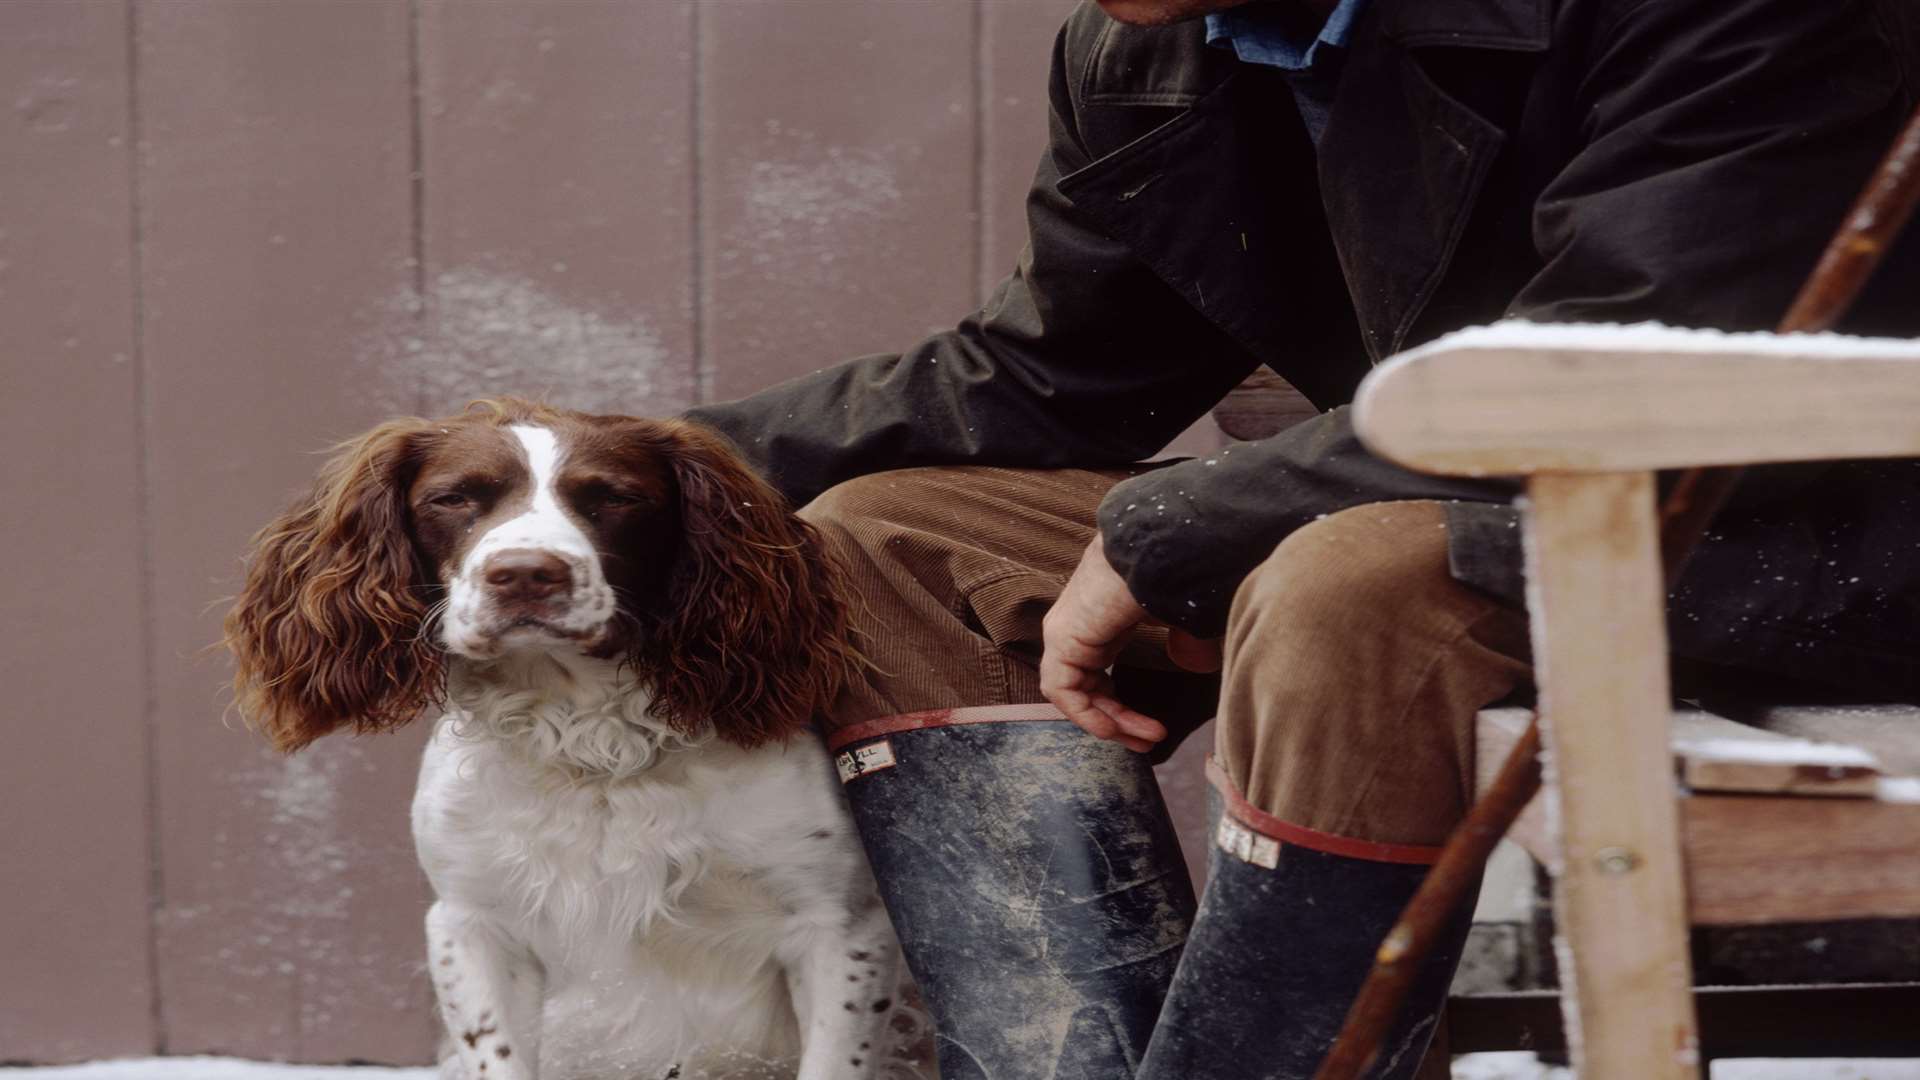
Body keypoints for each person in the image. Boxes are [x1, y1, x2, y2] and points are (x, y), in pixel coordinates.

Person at [688, 0, 1920, 1075]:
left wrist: (1177, 523)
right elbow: (1052, 370)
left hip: (1808, 534)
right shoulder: (1155, 51)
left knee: (1343, 582)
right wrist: (620, 465)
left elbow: (1630, 353)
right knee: (887, 540)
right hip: (1488, 510)